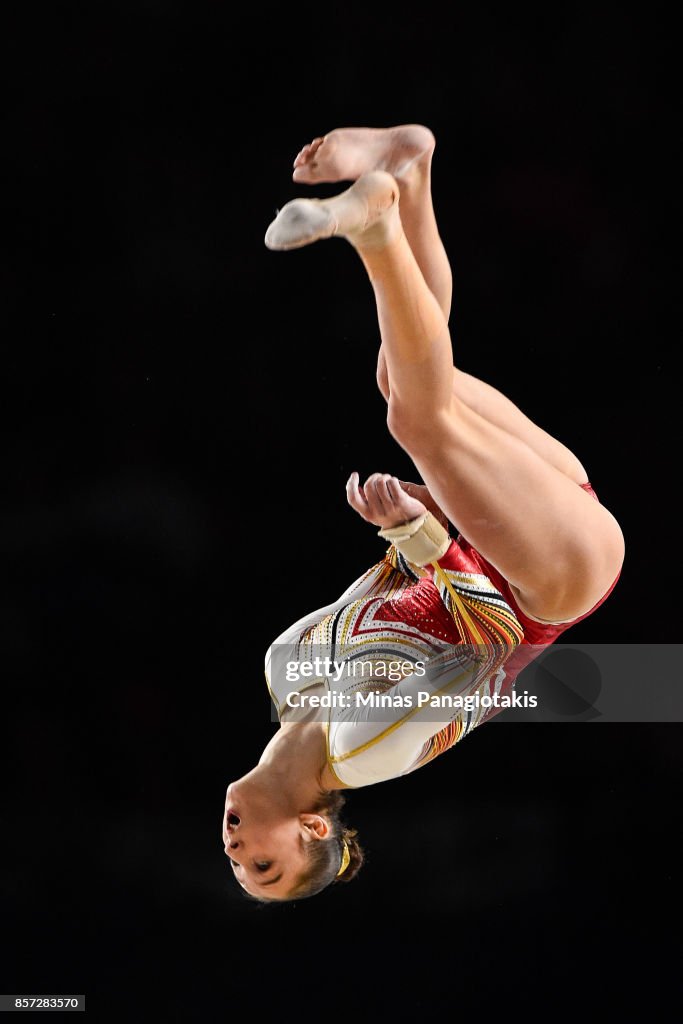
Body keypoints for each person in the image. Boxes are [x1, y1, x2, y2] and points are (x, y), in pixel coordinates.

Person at [222, 125, 624, 903]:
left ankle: (408, 166)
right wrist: (415, 529)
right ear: (313, 828)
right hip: (549, 582)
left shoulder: (286, 671)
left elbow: (397, 585)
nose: (236, 851)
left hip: (507, 532)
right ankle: (373, 223)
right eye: (261, 866)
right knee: (416, 418)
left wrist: (404, 523)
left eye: (235, 866)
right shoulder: (365, 751)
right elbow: (489, 642)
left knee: (403, 376)